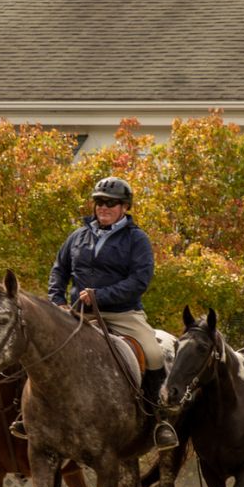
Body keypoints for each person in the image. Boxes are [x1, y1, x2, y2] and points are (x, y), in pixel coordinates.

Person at [41, 176, 176, 449]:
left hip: (123, 314)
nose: (103, 207)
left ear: (124, 207)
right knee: (39, 346)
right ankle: (28, 416)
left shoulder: (137, 239)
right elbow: (59, 270)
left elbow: (139, 280)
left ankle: (158, 420)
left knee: (152, 352)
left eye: (110, 203)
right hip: (78, 314)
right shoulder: (77, 237)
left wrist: (100, 296)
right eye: (99, 202)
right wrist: (56, 302)